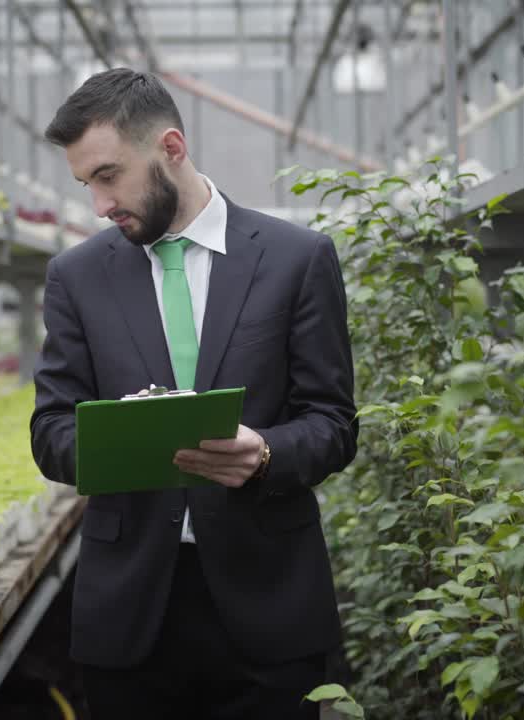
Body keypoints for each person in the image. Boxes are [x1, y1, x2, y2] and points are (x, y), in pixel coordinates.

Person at [30, 68, 358, 719]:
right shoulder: (77, 277)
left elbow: (333, 423)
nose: (98, 205)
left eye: (107, 176)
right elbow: (51, 433)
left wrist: (264, 452)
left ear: (171, 149)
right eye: (86, 184)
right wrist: (117, 434)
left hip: (269, 601)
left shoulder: (297, 258)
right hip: (130, 612)